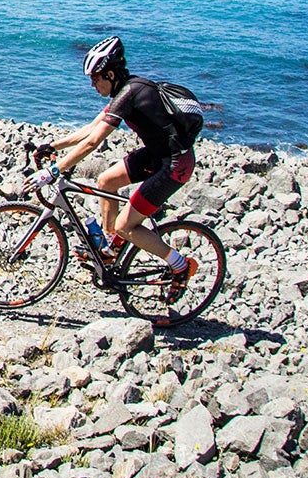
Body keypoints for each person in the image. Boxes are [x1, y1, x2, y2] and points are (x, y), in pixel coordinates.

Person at [42, 36, 200, 294]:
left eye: (95, 78)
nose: (92, 84)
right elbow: (91, 128)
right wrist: (52, 146)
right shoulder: (125, 91)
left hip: (175, 165)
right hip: (158, 154)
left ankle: (180, 265)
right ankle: (109, 249)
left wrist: (54, 170)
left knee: (125, 226)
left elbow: (93, 142)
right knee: (106, 180)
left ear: (111, 74)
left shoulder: (131, 93)